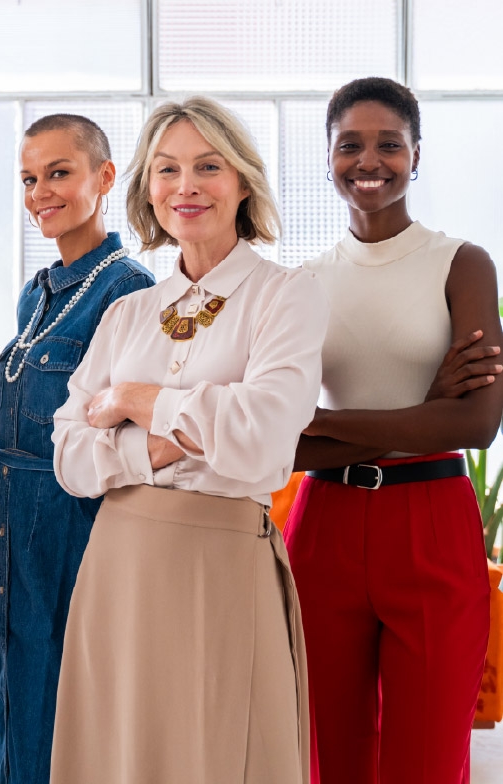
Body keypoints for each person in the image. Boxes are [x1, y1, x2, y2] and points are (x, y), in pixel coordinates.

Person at [49, 97, 323, 783]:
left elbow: (264, 437)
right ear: (148, 188)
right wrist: (173, 438)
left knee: (221, 752)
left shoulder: (286, 296)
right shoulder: (127, 313)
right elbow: (69, 456)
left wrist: (134, 400)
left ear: (243, 181)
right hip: (116, 567)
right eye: (167, 169)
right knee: (117, 758)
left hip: (221, 566)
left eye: (208, 166)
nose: (186, 186)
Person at [286, 76, 503, 784]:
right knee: (330, 754)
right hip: (325, 525)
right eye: (349, 145)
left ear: (416, 154)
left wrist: (325, 421)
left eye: (389, 144)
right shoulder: (302, 284)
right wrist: (424, 412)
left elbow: (478, 422)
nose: (369, 161)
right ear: (327, 158)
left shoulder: (462, 263)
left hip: (432, 521)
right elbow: (282, 441)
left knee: (429, 759)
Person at [0, 114, 154, 784]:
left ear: (104, 178)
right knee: (14, 706)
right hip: (12, 528)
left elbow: (130, 432)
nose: (40, 193)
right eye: (29, 179)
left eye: (58, 173)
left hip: (74, 528)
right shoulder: (38, 291)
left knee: (65, 712)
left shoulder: (128, 290)